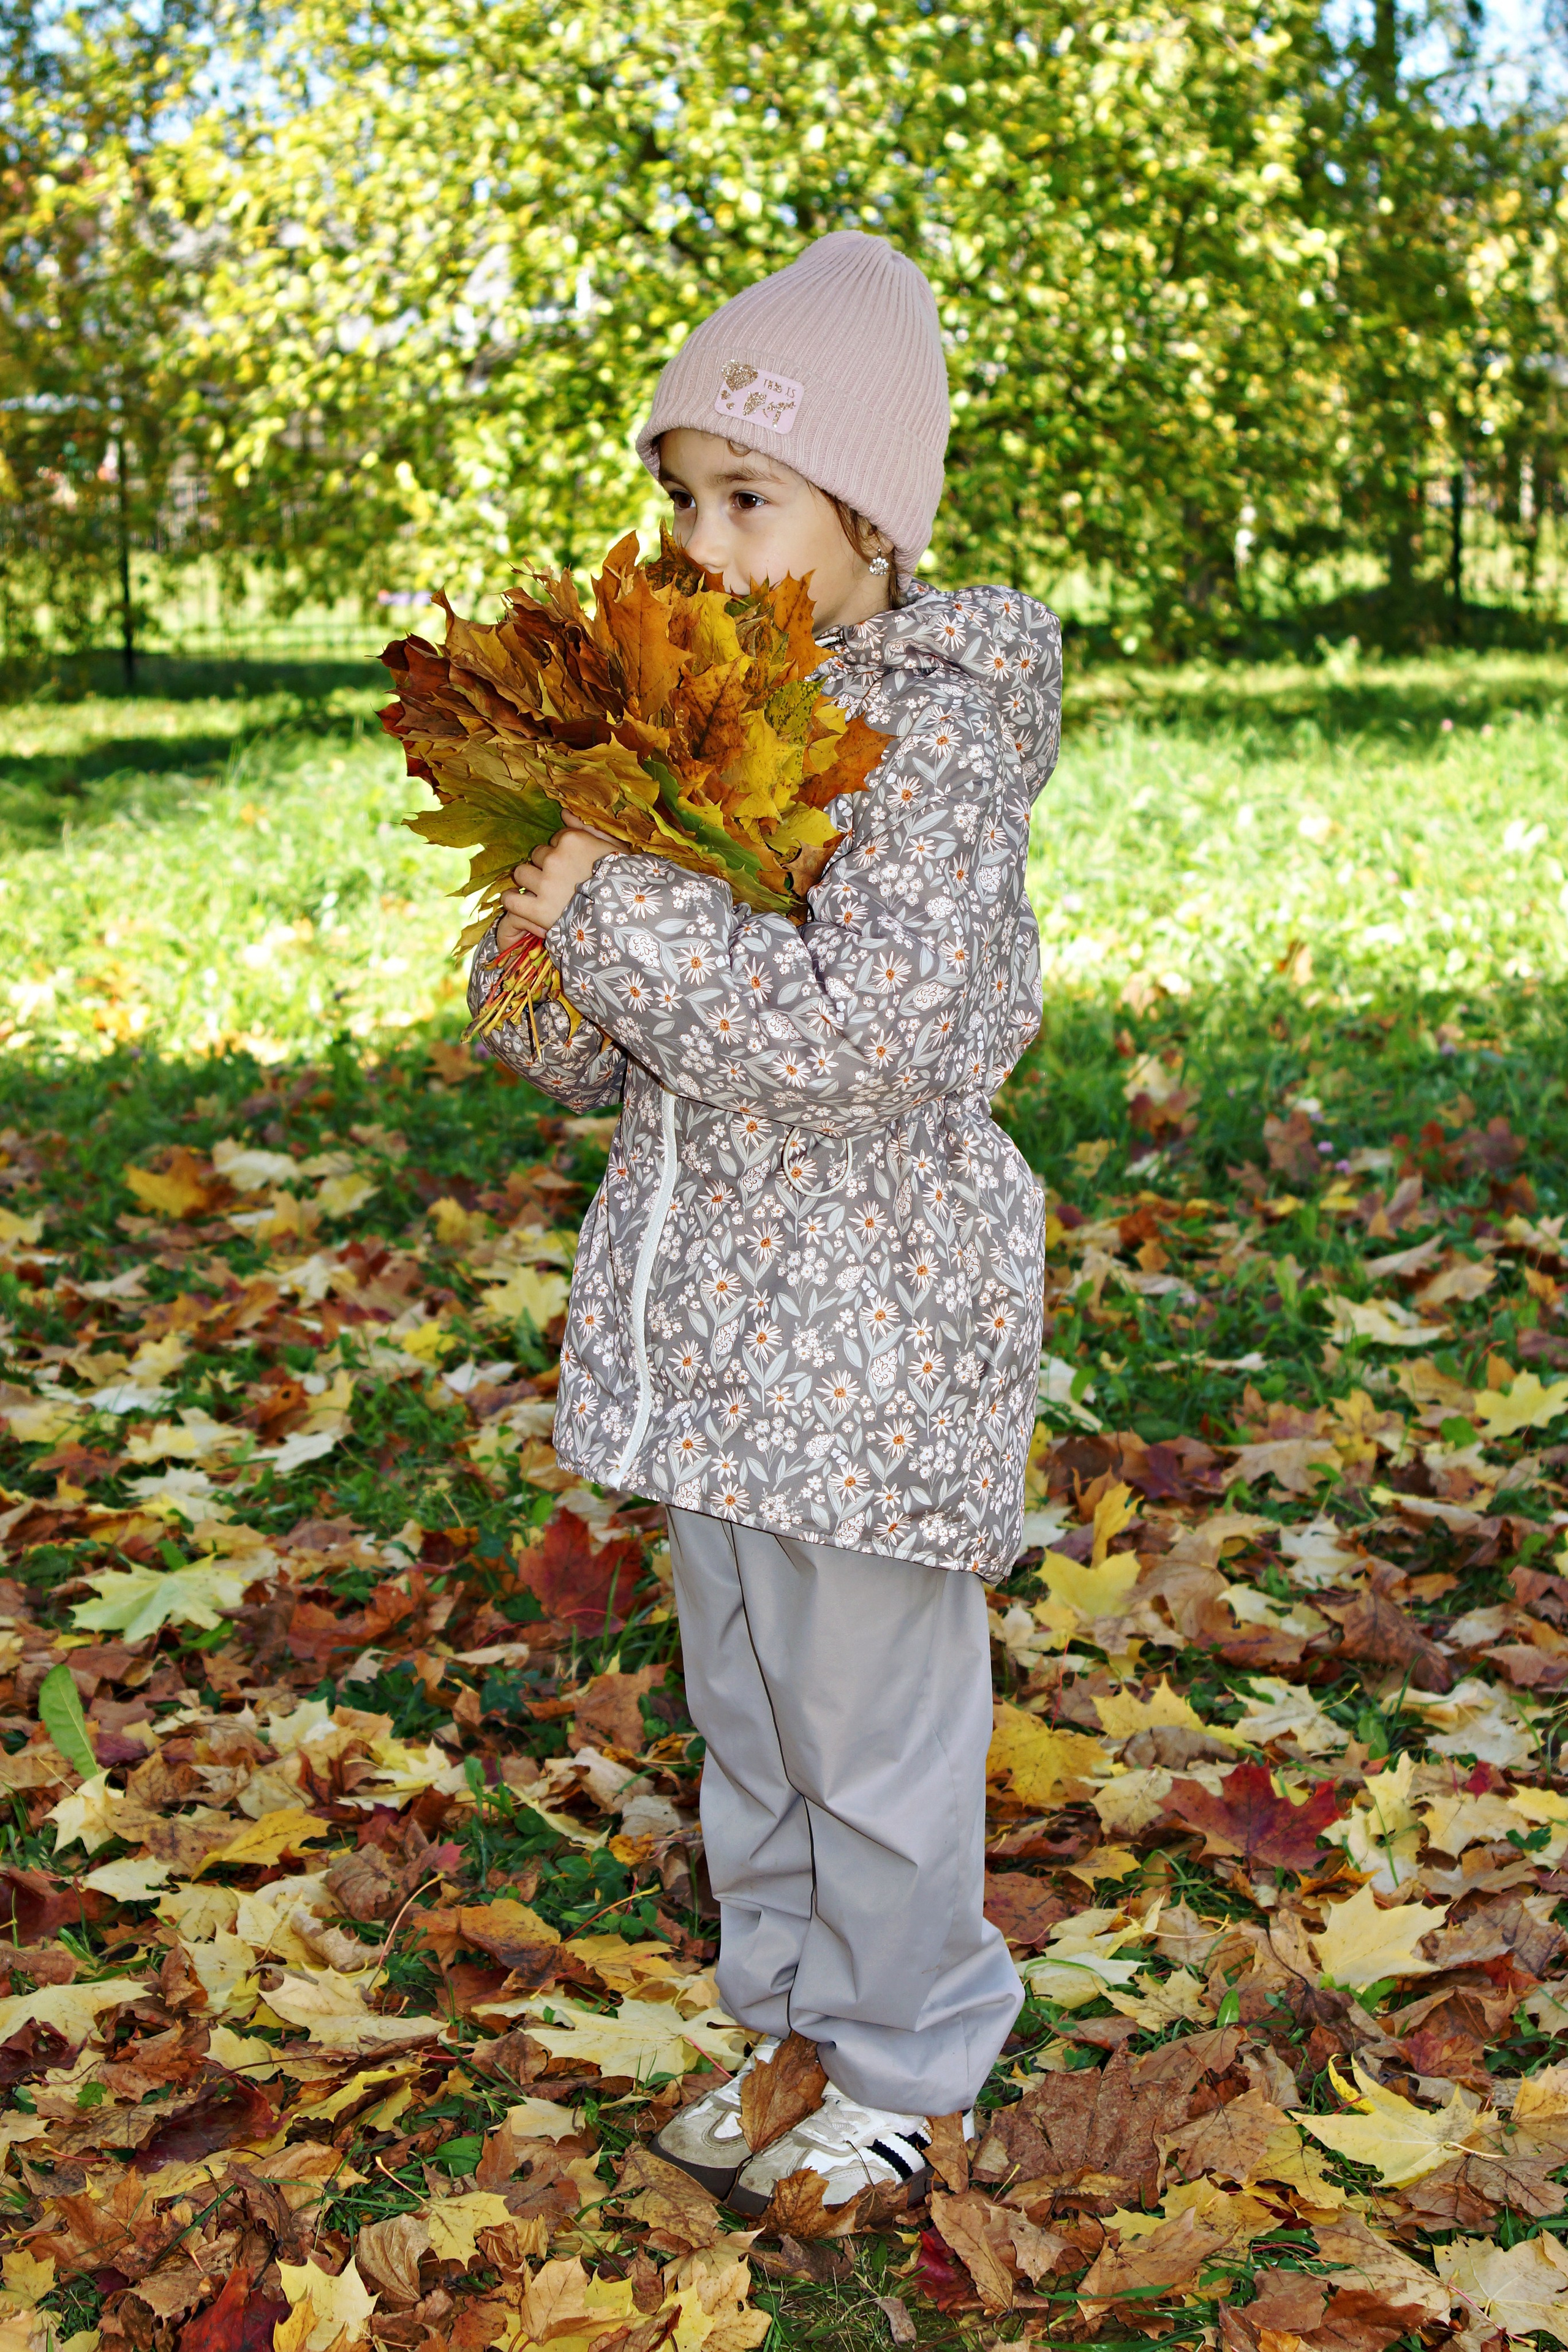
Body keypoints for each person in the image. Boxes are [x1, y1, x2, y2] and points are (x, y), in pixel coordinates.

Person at [469, 229, 1061, 2212]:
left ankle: (910, 2056)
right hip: (711, 1351)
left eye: (751, 499)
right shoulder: (687, 729)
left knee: (873, 1746)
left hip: (871, 1355)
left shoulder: (937, 742)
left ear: (874, 526)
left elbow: (859, 1034)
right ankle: (800, 2029)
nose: (702, 543)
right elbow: (607, 1061)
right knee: (756, 1733)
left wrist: (622, 915)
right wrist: (542, 949)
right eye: (683, 498)